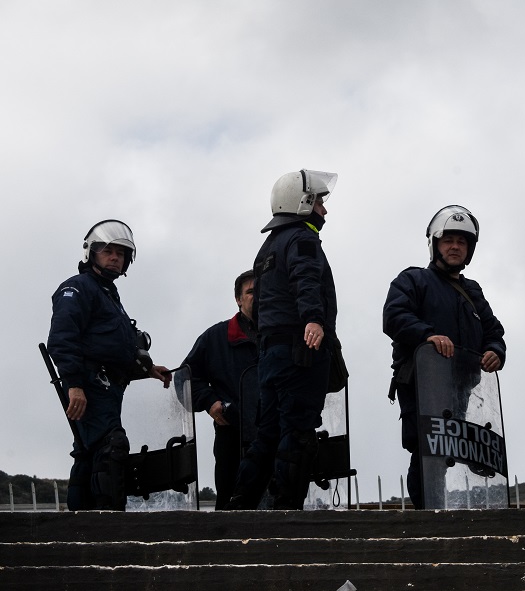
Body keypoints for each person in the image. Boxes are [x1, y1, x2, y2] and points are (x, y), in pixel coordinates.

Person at [225, 170, 339, 510]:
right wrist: (314, 320)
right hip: (299, 351)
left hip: (271, 354)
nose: (324, 210)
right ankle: (285, 511)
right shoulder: (302, 238)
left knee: (268, 433)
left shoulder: (268, 246)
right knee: (298, 432)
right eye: (319, 201)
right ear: (303, 202)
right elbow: (305, 281)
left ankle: (241, 505)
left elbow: (262, 306)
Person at [383, 205, 506, 509]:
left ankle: (448, 511)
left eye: (461, 242)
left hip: (461, 386)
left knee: (451, 448)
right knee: (427, 450)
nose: (454, 247)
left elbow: (494, 331)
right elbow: (393, 316)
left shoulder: (472, 291)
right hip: (420, 382)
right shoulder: (413, 280)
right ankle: (429, 515)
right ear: (435, 244)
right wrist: (427, 334)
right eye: (448, 240)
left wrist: (495, 351)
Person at [47, 219, 172, 511]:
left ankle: (78, 525)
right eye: (107, 251)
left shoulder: (108, 295)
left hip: (108, 387)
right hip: (90, 385)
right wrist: (75, 385)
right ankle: (109, 526)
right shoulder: (78, 288)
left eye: (121, 253)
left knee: (88, 452)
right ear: (92, 253)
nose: (115, 257)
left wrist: (148, 370)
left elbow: (113, 346)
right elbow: (62, 339)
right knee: (111, 446)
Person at [182, 270, 258, 510]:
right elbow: (185, 378)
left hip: (278, 438)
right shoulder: (216, 338)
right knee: (231, 510)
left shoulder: (283, 337)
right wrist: (209, 401)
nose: (258, 296)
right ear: (238, 299)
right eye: (251, 291)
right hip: (231, 438)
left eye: (264, 291)